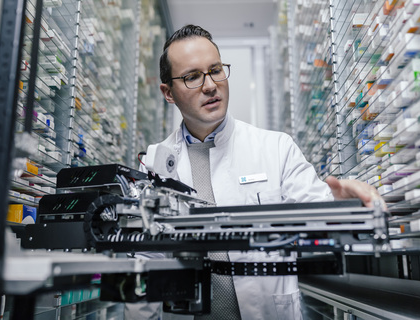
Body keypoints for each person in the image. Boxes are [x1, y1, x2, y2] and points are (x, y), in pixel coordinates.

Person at [131, 24, 385, 320]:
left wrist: (341, 206)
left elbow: (320, 218)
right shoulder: (154, 164)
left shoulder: (276, 148)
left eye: (215, 70)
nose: (211, 85)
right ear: (168, 92)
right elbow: (145, 262)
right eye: (192, 77)